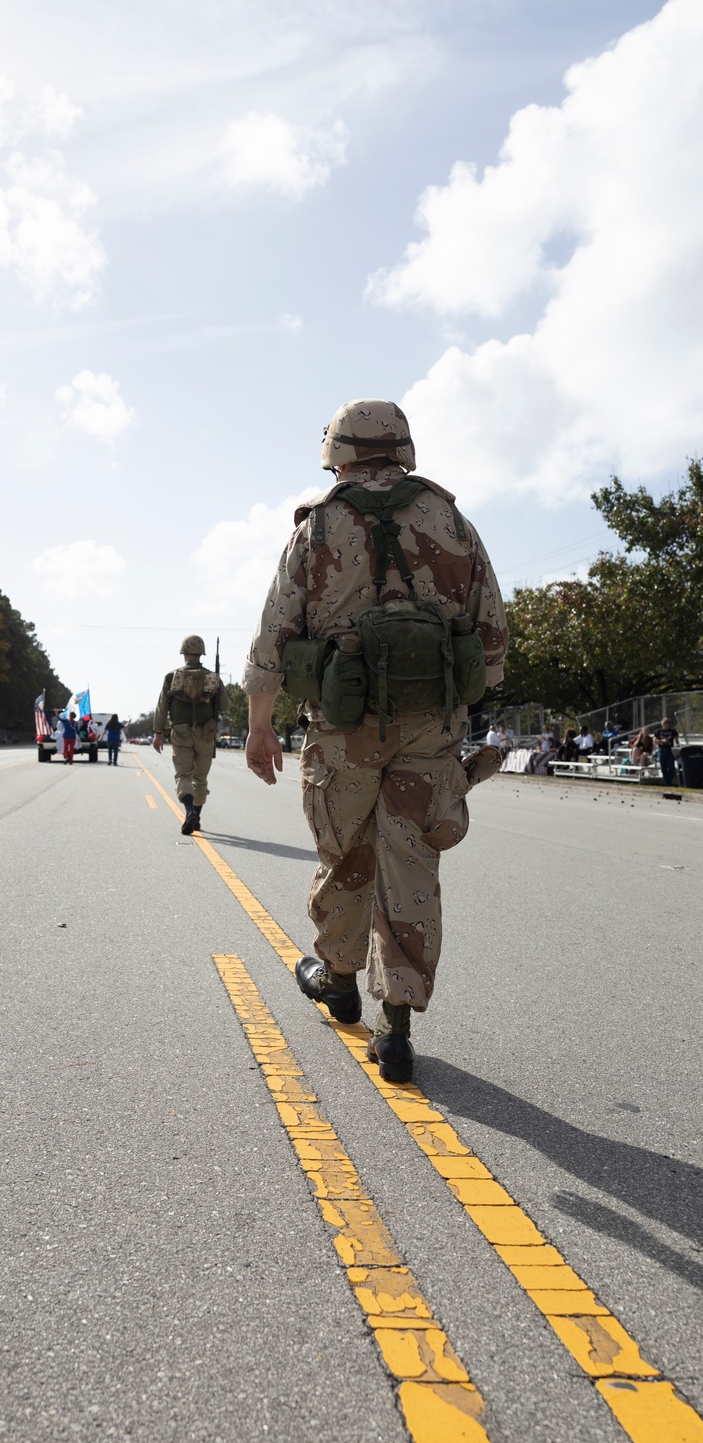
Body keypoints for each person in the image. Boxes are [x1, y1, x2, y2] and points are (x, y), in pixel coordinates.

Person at [242, 397, 507, 1084]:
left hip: (343, 728)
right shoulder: (452, 521)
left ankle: (337, 979)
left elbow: (275, 632)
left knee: (344, 852)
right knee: (411, 866)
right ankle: (396, 1030)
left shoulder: (320, 527)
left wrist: (260, 725)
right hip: (430, 728)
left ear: (340, 452)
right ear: (403, 448)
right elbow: (492, 635)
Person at [153, 634, 229, 834]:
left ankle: (189, 812)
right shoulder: (213, 677)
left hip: (181, 733)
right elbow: (225, 706)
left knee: (184, 774)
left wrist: (158, 733)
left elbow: (162, 707)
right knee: (201, 778)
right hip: (206, 734)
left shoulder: (171, 677)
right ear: (201, 652)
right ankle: (197, 815)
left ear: (184, 652)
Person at [655, 718, 680, 786]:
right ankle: (667, 782)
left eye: (669, 722)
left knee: (671, 767)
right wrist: (661, 741)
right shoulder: (659, 731)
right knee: (663, 767)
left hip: (670, 750)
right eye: (667, 722)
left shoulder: (673, 731)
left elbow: (676, 740)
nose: (669, 724)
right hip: (661, 750)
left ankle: (668, 780)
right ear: (663, 724)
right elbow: (654, 740)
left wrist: (677, 744)